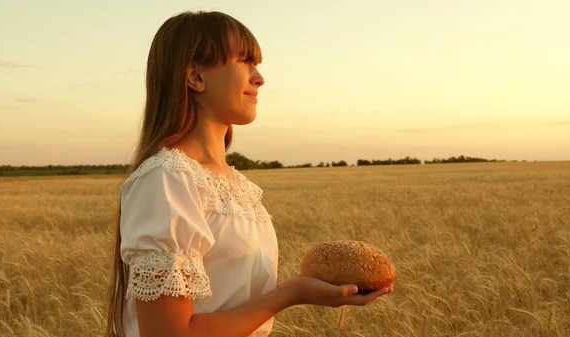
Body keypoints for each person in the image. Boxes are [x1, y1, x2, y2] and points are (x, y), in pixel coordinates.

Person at [105, 10, 393, 337]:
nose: (259, 78)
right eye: (244, 61)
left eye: (256, 65)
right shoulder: (167, 179)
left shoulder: (237, 184)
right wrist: (291, 293)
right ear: (195, 76)